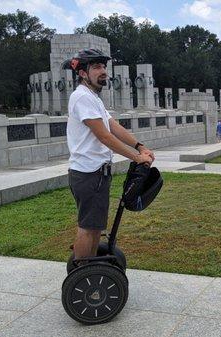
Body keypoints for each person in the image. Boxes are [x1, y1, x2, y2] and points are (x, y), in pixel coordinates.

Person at [65, 49, 154, 263]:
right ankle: (85, 277)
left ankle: (89, 270)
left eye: (104, 67)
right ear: (83, 73)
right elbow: (104, 136)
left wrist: (140, 146)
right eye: (96, 67)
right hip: (88, 174)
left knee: (95, 227)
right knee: (88, 228)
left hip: (96, 173)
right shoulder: (81, 97)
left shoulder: (92, 98)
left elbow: (112, 126)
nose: (103, 71)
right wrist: (136, 157)